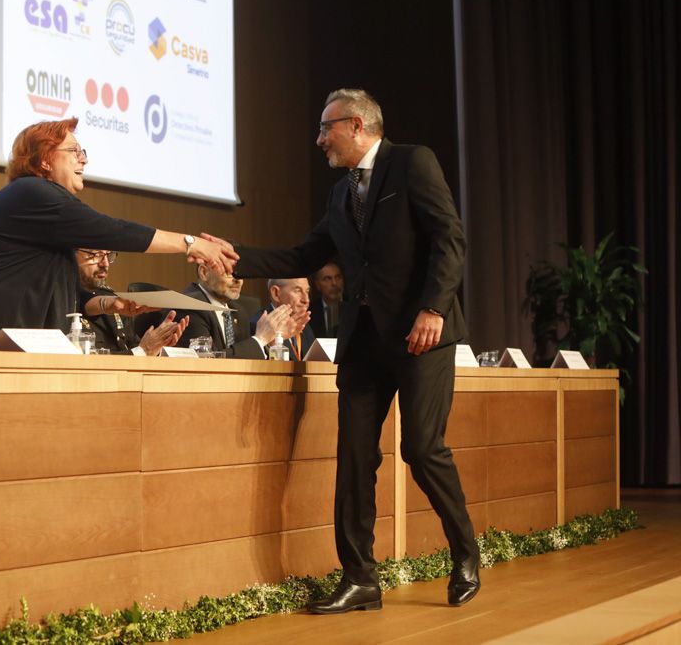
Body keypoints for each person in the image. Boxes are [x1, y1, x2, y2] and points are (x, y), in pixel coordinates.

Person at [203, 89, 479, 611]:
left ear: (355, 125)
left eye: (325, 128)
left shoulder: (412, 162)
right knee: (354, 459)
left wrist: (434, 309)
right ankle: (360, 578)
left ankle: (465, 552)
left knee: (422, 450)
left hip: (422, 336)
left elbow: (450, 238)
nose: (318, 139)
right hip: (364, 343)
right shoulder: (340, 194)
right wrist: (233, 259)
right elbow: (303, 254)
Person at [0, 118, 237, 331]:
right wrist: (191, 243)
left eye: (83, 153)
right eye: (74, 152)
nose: (84, 161)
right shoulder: (32, 192)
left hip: (3, 339)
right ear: (43, 161)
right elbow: (112, 231)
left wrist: (109, 305)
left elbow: (68, 294)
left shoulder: (44, 212)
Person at [76, 248, 188, 355]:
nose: (105, 263)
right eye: (95, 254)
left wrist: (157, 347)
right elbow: (88, 363)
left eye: (108, 255)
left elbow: (132, 347)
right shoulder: (62, 301)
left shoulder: (114, 299)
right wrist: (143, 351)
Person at [171, 263, 297, 359]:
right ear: (204, 272)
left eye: (241, 274)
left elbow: (244, 358)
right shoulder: (189, 305)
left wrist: (270, 343)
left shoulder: (239, 311)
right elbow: (207, 362)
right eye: (229, 272)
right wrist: (260, 339)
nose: (238, 280)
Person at [250, 278, 315, 360]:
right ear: (276, 294)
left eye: (307, 291)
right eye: (297, 291)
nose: (306, 300)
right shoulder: (258, 326)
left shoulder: (305, 327)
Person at [309, 261, 344, 338]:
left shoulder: (354, 309)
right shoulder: (309, 312)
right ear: (317, 285)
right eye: (327, 279)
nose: (334, 283)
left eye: (338, 277)